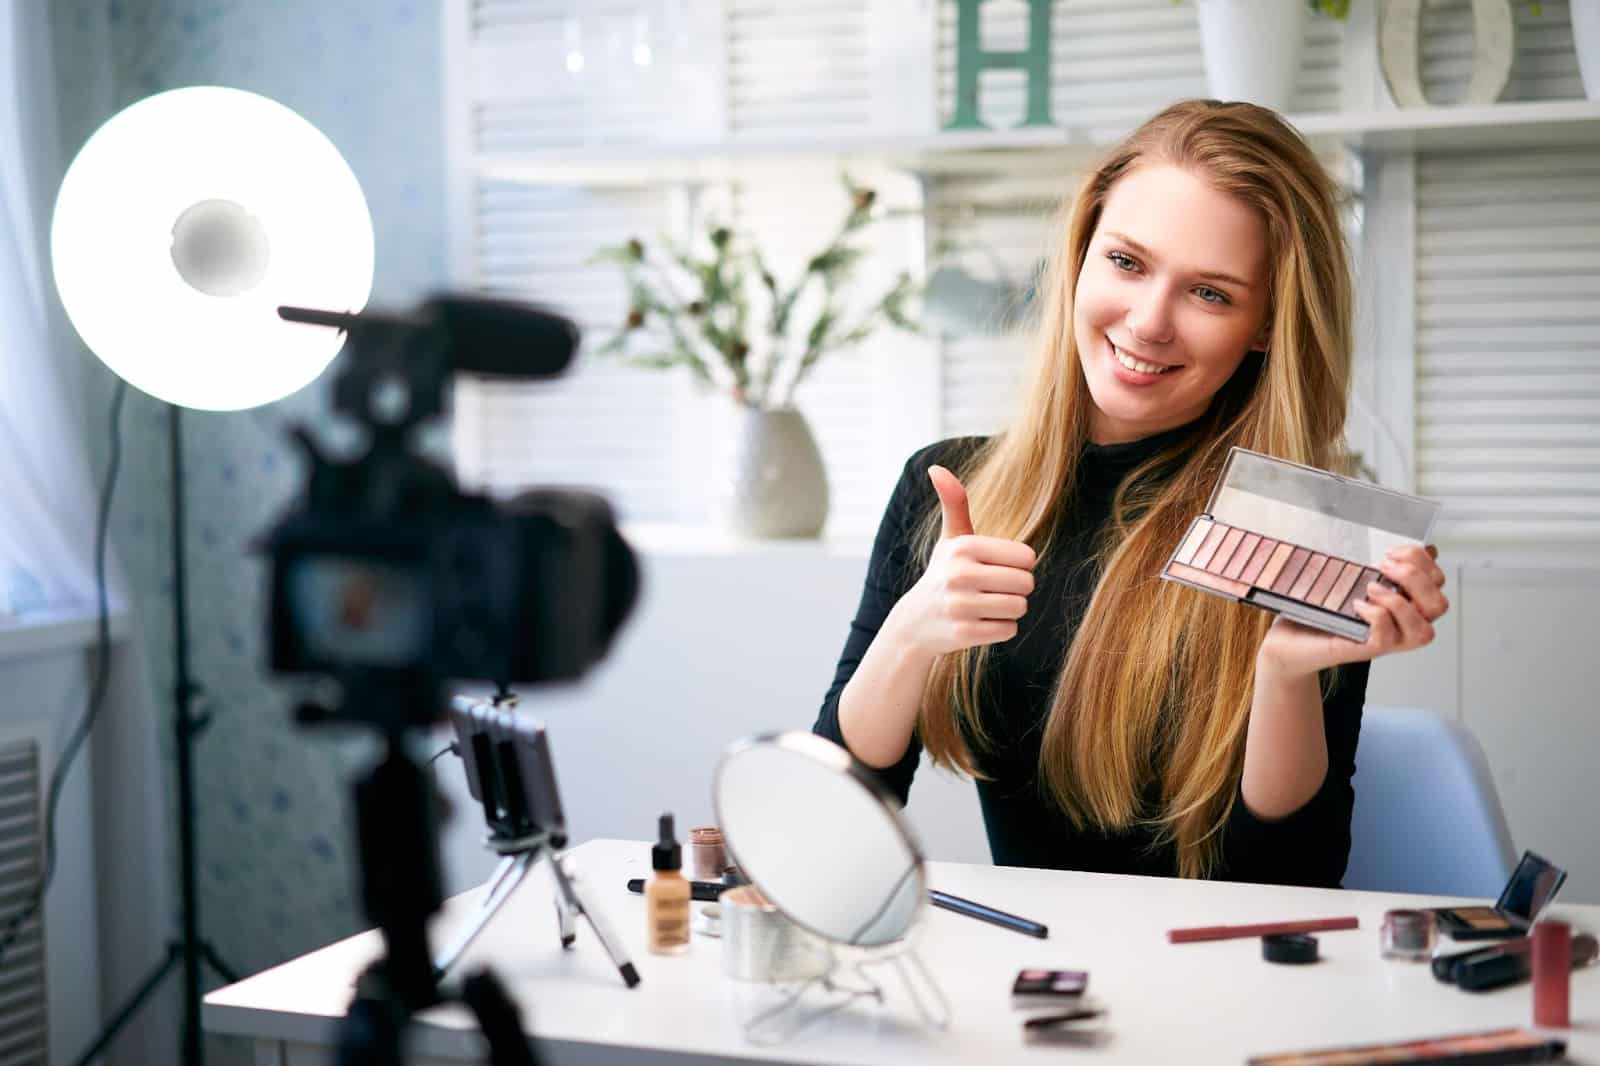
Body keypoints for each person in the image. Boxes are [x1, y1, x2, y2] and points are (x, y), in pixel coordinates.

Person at [812, 99, 1450, 887]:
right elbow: (837, 812)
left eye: (1210, 293)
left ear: (1264, 326)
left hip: (1215, 981)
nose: (1148, 323)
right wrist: (911, 631)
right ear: (1080, 256)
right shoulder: (948, 488)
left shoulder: (1300, 527)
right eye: (1126, 262)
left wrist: (1285, 673)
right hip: (1033, 972)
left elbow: (1288, 884)